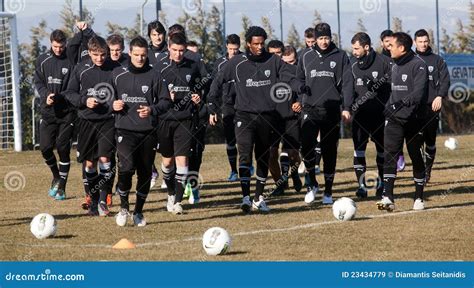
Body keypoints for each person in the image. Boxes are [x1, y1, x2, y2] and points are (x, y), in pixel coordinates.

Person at [208, 26, 298, 213]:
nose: (259, 47)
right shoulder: (236, 63)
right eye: (255, 44)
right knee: (245, 155)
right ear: (248, 44)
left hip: (267, 117)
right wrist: (212, 105)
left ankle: (259, 197)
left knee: (263, 156)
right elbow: (217, 82)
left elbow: (291, 78)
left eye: (261, 43)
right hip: (243, 117)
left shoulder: (274, 61)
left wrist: (303, 90)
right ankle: (245, 198)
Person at [112, 36, 173, 227]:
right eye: (136, 55)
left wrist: (152, 109)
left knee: (145, 173)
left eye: (144, 55)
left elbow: (165, 101)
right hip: (124, 130)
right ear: (129, 53)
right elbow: (106, 97)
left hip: (148, 132)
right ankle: (123, 208)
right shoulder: (117, 74)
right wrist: (112, 104)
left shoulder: (155, 76)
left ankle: (138, 211)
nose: (140, 58)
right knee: (126, 168)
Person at [296, 22, 353, 205]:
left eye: (326, 37)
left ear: (331, 37)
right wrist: (299, 89)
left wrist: (346, 107)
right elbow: (298, 78)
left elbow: (347, 84)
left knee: (329, 151)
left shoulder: (341, 56)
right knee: (306, 146)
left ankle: (328, 191)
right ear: (315, 38)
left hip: (331, 111)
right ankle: (311, 184)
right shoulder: (305, 56)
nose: (323, 41)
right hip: (309, 108)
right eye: (320, 38)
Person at [65, 36, 120, 216]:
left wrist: (118, 104)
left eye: (103, 54)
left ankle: (104, 200)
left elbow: (123, 91)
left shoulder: (115, 69)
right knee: (89, 164)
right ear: (89, 53)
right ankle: (94, 201)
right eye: (96, 55)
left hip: (107, 121)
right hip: (86, 122)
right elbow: (69, 93)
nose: (100, 58)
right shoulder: (81, 69)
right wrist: (84, 101)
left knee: (105, 160)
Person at [154, 32, 205, 214]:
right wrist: (165, 97)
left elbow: (200, 87)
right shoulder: (159, 67)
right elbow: (153, 94)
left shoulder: (193, 66)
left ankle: (177, 201)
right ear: (168, 48)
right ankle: (170, 192)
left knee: (182, 161)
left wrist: (199, 98)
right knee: (167, 163)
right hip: (165, 120)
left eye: (181, 50)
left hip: (185, 119)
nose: (178, 54)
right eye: (174, 50)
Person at [377, 32, 429, 212]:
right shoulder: (393, 65)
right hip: (394, 119)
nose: (388, 48)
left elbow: (418, 93)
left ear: (402, 48)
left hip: (415, 120)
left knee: (415, 155)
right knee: (389, 154)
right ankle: (387, 197)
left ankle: (419, 197)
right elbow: (391, 89)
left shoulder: (419, 65)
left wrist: (399, 103)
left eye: (392, 45)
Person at [34, 29, 75, 200]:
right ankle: (56, 177)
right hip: (48, 112)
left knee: (63, 148)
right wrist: (46, 96)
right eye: (55, 46)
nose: (58, 49)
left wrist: (59, 97)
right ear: (51, 43)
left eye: (61, 46)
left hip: (67, 113)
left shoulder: (71, 60)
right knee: (45, 148)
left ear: (65, 44)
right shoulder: (42, 60)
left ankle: (62, 189)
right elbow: (38, 82)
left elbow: (73, 86)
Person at [350, 32, 391, 198]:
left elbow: (391, 88)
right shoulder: (352, 65)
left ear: (366, 47)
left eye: (357, 48)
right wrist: (348, 108)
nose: (354, 51)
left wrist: (377, 86)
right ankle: (362, 186)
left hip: (380, 115)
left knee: (381, 151)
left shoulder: (384, 62)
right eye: (353, 48)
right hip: (360, 116)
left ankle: (381, 185)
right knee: (359, 151)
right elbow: (348, 89)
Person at [413, 29, 450, 183]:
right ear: (415, 42)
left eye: (425, 41)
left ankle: (427, 170)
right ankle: (420, 172)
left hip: (431, 107)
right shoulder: (409, 59)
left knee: (430, 141)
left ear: (429, 42)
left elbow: (445, 80)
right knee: (415, 142)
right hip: (414, 108)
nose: (423, 44)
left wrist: (440, 96)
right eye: (420, 41)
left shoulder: (437, 60)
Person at [270, 45, 303, 195]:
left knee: (292, 153)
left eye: (292, 62)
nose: (290, 65)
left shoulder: (298, 72)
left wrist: (300, 102)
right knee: (271, 154)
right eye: (286, 62)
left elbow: (306, 89)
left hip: (292, 118)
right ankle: (280, 183)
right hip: (273, 118)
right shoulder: (271, 72)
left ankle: (294, 173)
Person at [209, 34, 242, 182]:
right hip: (227, 105)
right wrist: (213, 110)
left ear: (239, 47)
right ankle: (233, 170)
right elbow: (214, 88)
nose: (233, 52)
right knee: (230, 139)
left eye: (235, 49)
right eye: (230, 49)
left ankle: (245, 166)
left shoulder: (245, 60)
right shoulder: (219, 64)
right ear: (226, 47)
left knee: (245, 138)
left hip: (244, 104)